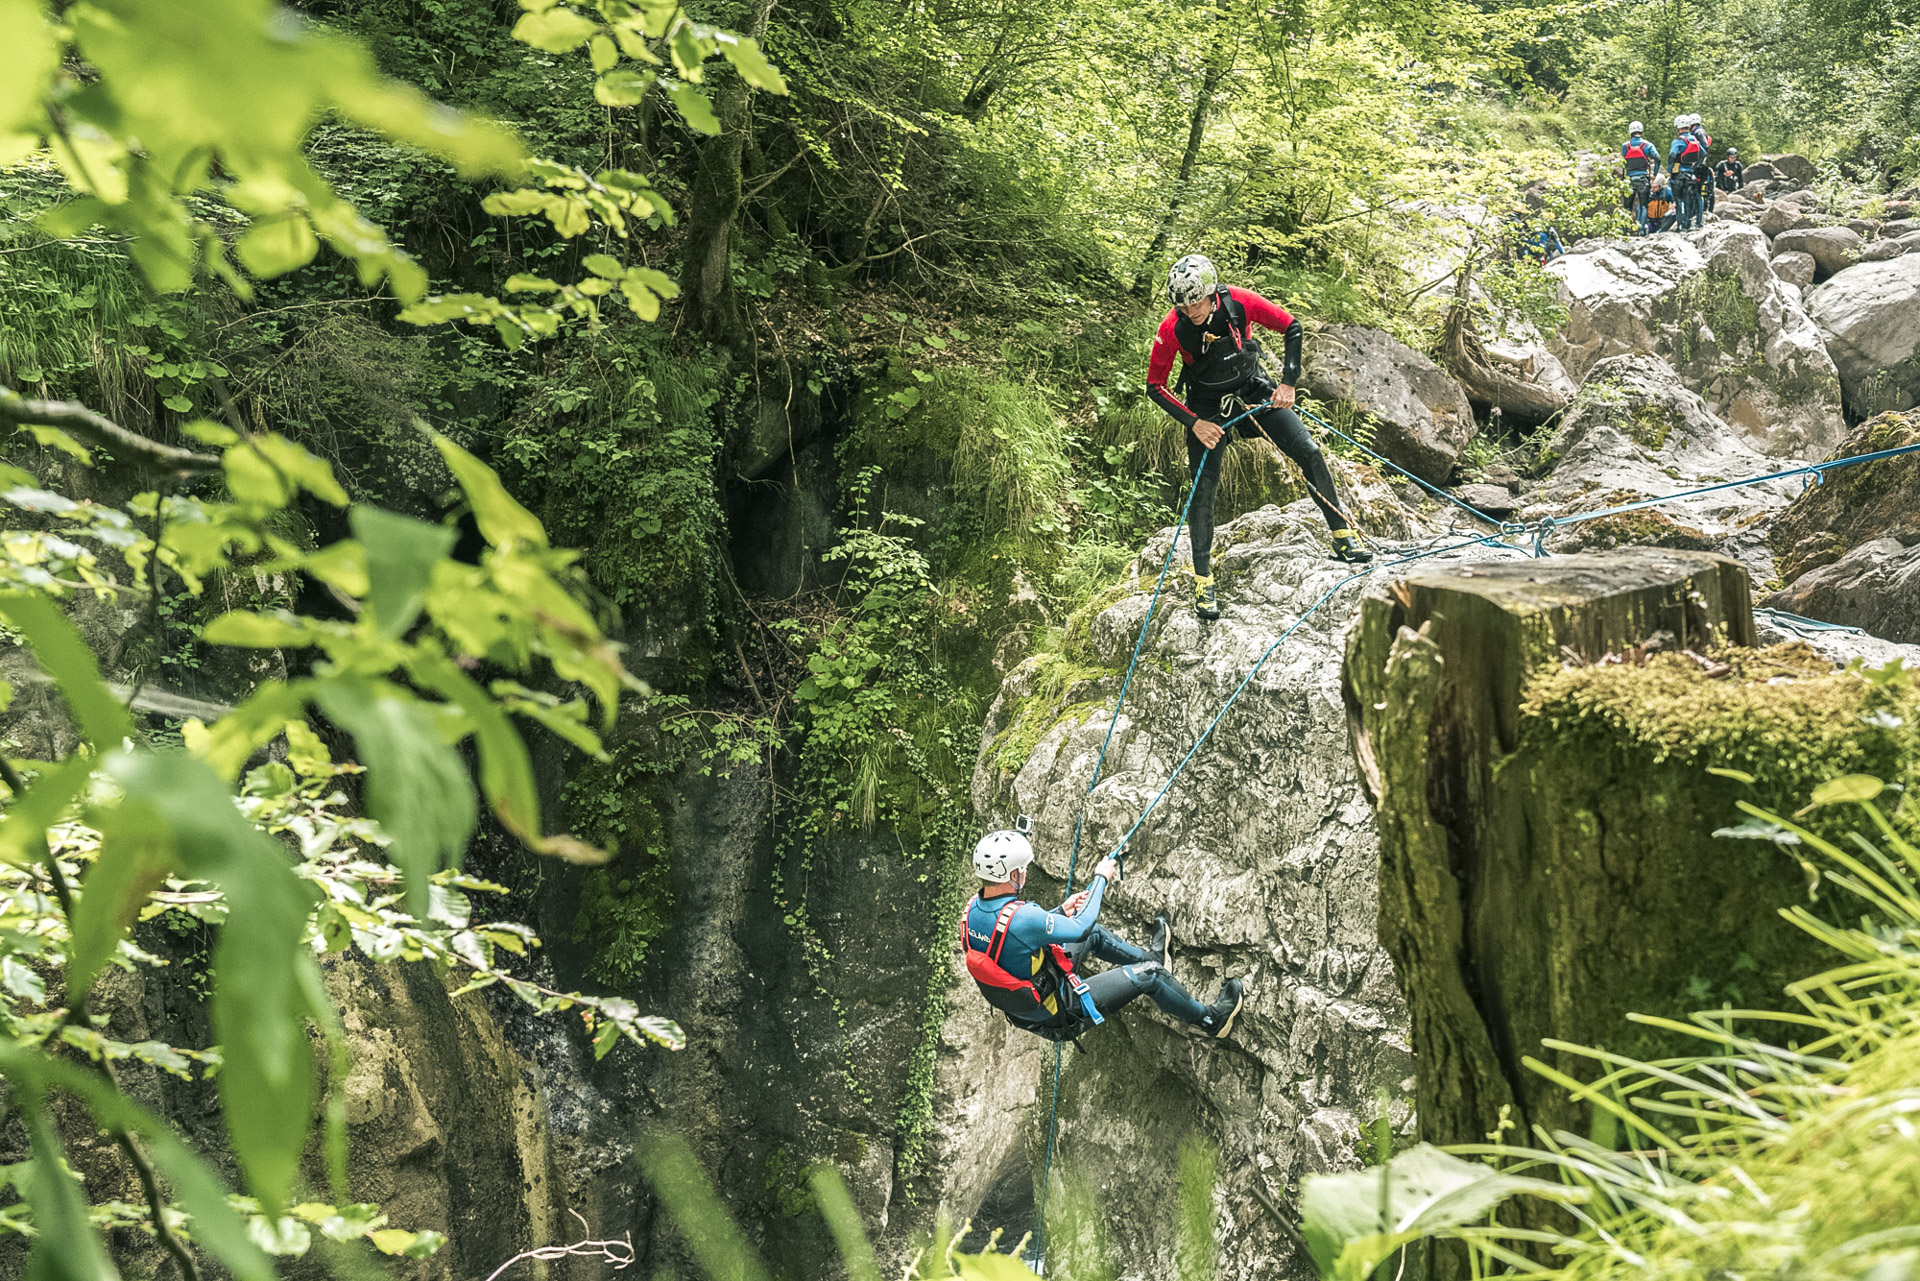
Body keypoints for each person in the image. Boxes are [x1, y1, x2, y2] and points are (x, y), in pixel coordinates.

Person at [1146, 254, 1371, 621]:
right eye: (1183, 306)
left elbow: (1292, 327)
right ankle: (1203, 580)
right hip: (1208, 407)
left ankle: (1342, 535)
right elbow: (1155, 387)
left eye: (1196, 302)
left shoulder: (1238, 302)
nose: (1191, 311)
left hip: (1255, 391)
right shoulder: (1172, 328)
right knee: (1204, 488)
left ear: (1210, 293)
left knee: (1309, 452)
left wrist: (1288, 382)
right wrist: (1194, 423)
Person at [961, 824, 1247, 1041]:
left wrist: (1058, 913)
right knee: (1151, 975)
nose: (1025, 873)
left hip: (1034, 1003)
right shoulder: (1024, 918)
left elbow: (1013, 941)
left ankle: (1153, 957)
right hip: (1060, 1011)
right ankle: (1211, 1021)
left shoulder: (973, 910)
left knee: (1093, 936)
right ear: (1013, 875)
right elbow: (1077, 926)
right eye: (1022, 869)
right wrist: (1101, 877)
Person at [1622, 121, 1662, 235]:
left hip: (1629, 179)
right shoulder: (1647, 145)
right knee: (1644, 205)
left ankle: (1625, 232)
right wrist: (1654, 174)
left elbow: (1624, 161)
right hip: (1643, 178)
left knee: (1627, 207)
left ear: (1630, 132)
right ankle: (1641, 231)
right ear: (1641, 131)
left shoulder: (1625, 146)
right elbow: (1658, 158)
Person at [1668, 115, 1705, 231]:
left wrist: (1670, 169)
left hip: (1679, 174)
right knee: (1691, 198)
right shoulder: (1694, 140)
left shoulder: (1678, 141)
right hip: (1691, 173)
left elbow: (1672, 155)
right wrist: (1695, 165)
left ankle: (1680, 225)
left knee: (1679, 200)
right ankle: (1692, 223)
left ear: (1678, 128)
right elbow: (1703, 153)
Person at [1689, 115, 1716, 216]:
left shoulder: (1698, 132)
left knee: (1697, 191)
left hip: (1699, 167)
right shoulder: (1698, 132)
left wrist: (1696, 164)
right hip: (1700, 165)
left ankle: (1699, 214)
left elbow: (1704, 147)